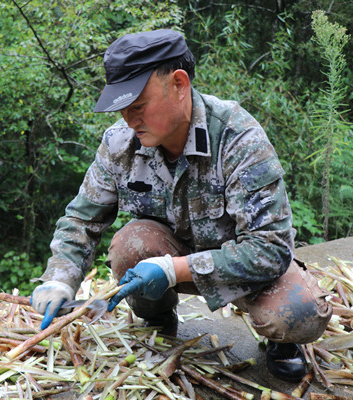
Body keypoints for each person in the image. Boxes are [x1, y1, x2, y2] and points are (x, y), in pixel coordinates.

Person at [30, 29, 332, 382]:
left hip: (242, 267)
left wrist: (175, 269)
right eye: (122, 109)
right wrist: (59, 279)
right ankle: (157, 316)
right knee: (130, 244)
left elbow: (270, 248)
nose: (129, 119)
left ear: (178, 84)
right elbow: (82, 218)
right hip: (166, 254)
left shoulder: (239, 138)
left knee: (300, 314)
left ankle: (282, 345)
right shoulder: (119, 142)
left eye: (138, 106)